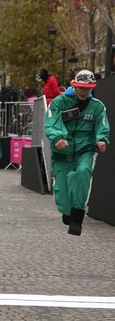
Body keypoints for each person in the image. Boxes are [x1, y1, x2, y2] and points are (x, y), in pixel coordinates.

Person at [44, 70, 109, 236]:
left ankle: (77, 217)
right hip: (62, 153)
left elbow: (101, 126)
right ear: (74, 85)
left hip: (84, 150)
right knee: (62, 194)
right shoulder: (58, 103)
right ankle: (68, 211)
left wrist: (101, 139)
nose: (84, 91)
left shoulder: (97, 106)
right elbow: (51, 123)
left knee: (82, 173)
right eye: (80, 88)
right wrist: (57, 137)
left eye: (87, 88)